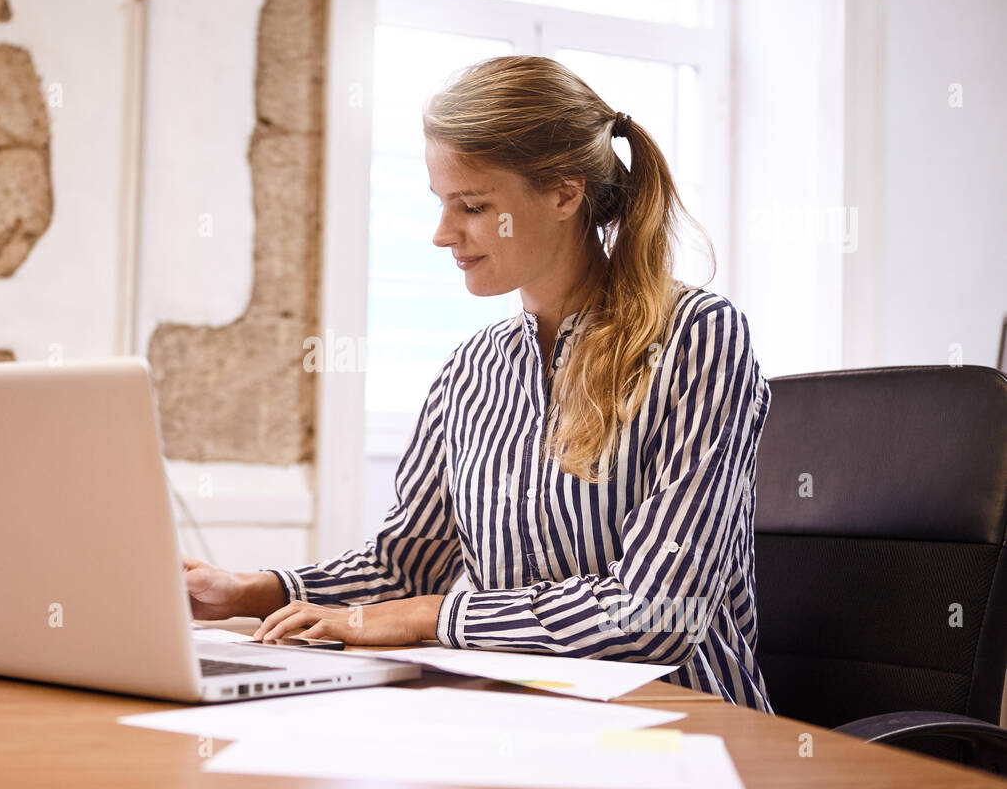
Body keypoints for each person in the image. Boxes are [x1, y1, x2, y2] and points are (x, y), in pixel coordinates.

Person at [183, 55, 773, 711]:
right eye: (441, 203)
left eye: (471, 205)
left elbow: (662, 612)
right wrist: (251, 589)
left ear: (563, 193)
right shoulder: (471, 370)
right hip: (520, 722)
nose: (442, 235)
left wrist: (434, 615)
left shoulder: (698, 337)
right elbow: (407, 564)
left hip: (682, 730)